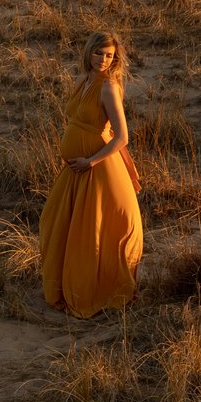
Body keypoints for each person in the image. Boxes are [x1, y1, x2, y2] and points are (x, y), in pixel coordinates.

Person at [38, 31, 144, 317]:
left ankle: (93, 290)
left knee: (91, 233)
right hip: (76, 170)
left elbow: (121, 137)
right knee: (55, 223)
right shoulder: (81, 81)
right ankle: (64, 286)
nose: (103, 60)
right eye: (99, 53)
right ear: (89, 52)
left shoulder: (109, 88)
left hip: (96, 169)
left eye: (109, 55)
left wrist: (91, 161)